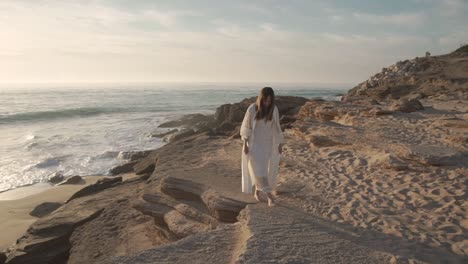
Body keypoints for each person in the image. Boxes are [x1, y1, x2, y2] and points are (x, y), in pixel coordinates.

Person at [240, 87, 285, 207]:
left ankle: (257, 192)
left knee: (262, 171)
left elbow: (276, 128)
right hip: (254, 145)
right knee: (260, 171)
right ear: (261, 98)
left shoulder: (273, 110)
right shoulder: (252, 109)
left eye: (270, 101)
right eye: (265, 100)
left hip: (267, 145)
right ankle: (270, 197)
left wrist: (279, 144)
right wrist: (245, 144)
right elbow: (246, 127)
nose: (267, 103)